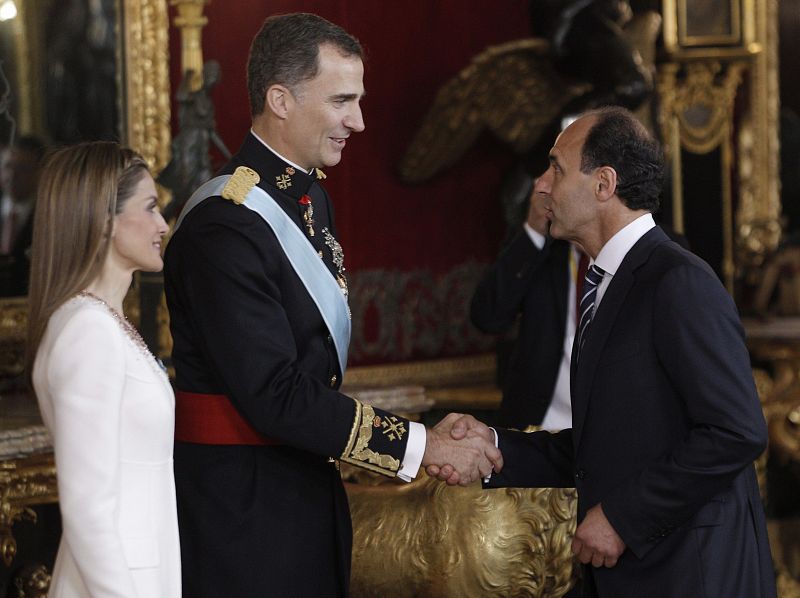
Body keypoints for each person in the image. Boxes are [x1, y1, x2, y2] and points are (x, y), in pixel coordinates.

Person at [163, 13, 500, 597]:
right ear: (280, 100)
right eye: (342, 100)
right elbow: (276, 392)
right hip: (243, 517)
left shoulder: (309, 195)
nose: (359, 121)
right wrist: (422, 446)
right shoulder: (226, 223)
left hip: (302, 489)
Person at [431, 106, 777, 597]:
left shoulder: (677, 280)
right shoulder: (609, 282)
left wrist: (622, 517)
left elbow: (735, 431)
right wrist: (493, 444)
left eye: (557, 168)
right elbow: (609, 446)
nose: (543, 186)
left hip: (691, 574)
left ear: (604, 184)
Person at [26, 142, 178, 597]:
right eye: (150, 208)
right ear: (104, 220)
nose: (162, 225)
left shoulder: (102, 322)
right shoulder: (87, 331)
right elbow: (87, 508)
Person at [472, 174, 586, 429]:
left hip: (611, 435)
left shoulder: (649, 253)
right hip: (536, 430)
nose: (540, 185)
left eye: (558, 172)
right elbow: (488, 317)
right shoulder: (543, 252)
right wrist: (534, 229)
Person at [0, 136, 45, 296]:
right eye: (8, 167)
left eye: (23, 169)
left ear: (39, 173)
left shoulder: (47, 217)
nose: (12, 175)